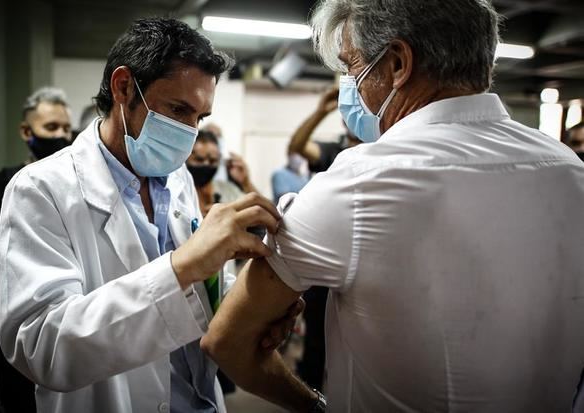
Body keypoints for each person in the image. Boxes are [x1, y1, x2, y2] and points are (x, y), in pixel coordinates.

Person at [201, 0, 584, 412]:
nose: (351, 86)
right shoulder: (570, 171)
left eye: (352, 68)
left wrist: (315, 405)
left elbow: (228, 341)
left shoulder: (358, 183)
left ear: (398, 63)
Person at [0, 17, 298, 413]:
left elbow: (200, 294)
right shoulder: (40, 189)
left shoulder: (178, 179)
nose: (190, 133)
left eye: (200, 118)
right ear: (124, 87)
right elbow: (42, 347)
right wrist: (181, 266)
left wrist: (251, 306)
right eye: (178, 109)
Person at [0, 86, 73, 413]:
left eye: (65, 129)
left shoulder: (76, 187)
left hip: (67, 331)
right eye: (50, 128)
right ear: (25, 131)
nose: (60, 135)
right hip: (12, 332)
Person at [288, 87, 361, 173]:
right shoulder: (334, 152)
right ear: (343, 121)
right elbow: (297, 146)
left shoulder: (377, 148)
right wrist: (321, 112)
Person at [186, 130, 244, 216]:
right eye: (199, 159)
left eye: (212, 161)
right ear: (186, 158)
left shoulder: (228, 191)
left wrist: (246, 182)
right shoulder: (177, 191)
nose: (206, 164)